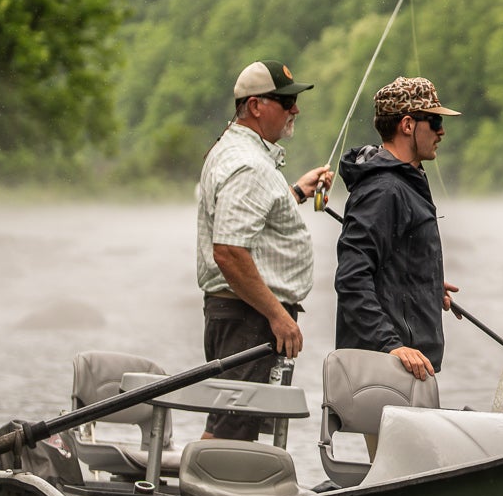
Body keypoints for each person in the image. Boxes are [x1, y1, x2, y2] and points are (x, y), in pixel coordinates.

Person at [195, 61, 332, 440]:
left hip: (242, 313)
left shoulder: (233, 151)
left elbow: (251, 225)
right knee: (232, 428)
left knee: (234, 423)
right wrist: (278, 316)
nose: (295, 110)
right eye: (286, 100)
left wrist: (298, 192)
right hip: (250, 317)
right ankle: (205, 495)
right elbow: (229, 251)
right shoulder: (249, 165)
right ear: (256, 106)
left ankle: (218, 492)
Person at [334, 76, 461, 382]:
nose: (441, 131)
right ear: (407, 125)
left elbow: (388, 264)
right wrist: (390, 345)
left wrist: (422, 284)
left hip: (406, 365)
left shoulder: (404, 182)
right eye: (433, 120)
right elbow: (351, 277)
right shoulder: (384, 190)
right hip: (389, 365)